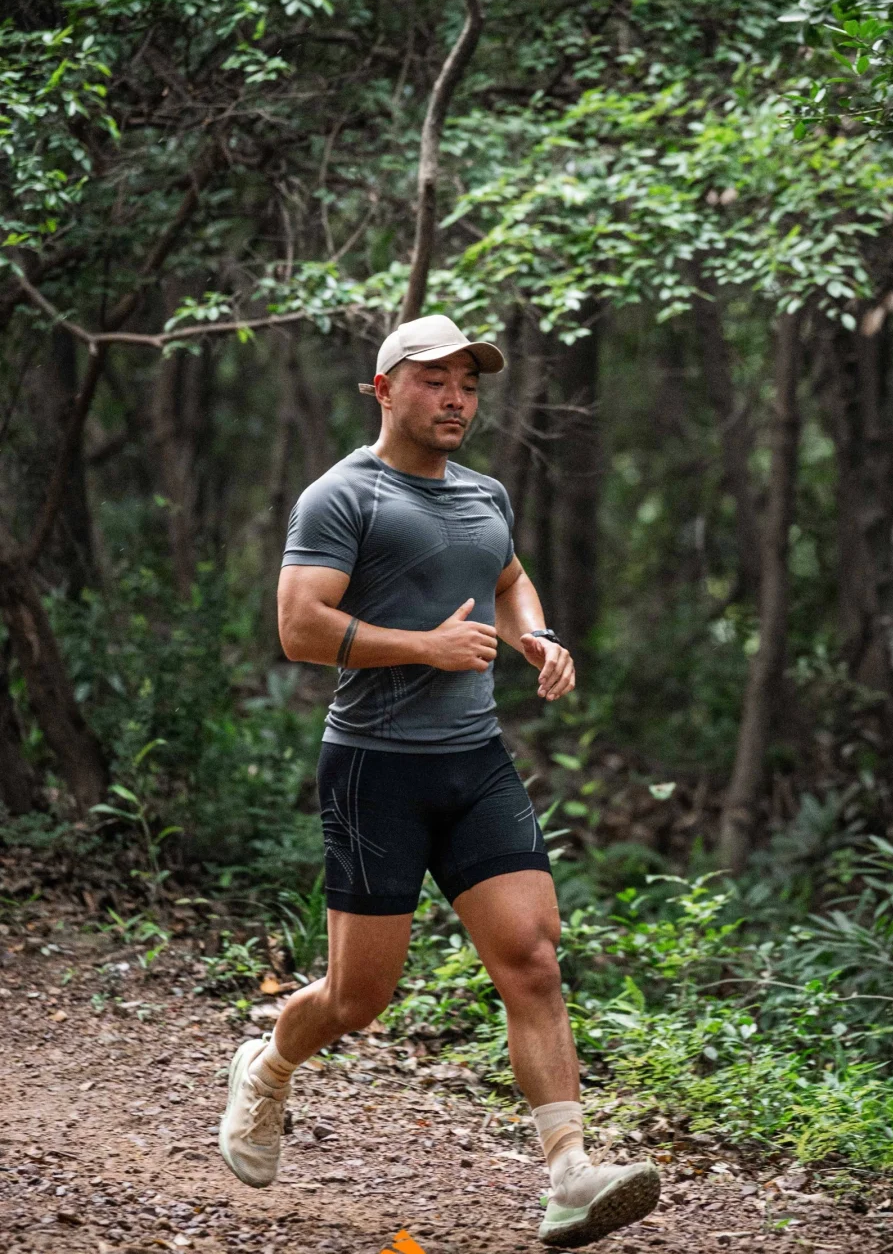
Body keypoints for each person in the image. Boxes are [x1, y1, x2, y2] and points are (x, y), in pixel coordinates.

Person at [218, 313, 660, 1247]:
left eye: (467, 381)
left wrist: (532, 633)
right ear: (385, 390)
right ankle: (267, 1065)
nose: (456, 396)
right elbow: (299, 627)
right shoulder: (341, 497)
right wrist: (424, 646)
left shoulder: (485, 493)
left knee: (533, 960)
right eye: (434, 380)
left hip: (475, 763)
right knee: (358, 999)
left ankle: (570, 1173)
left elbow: (507, 580)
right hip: (374, 771)